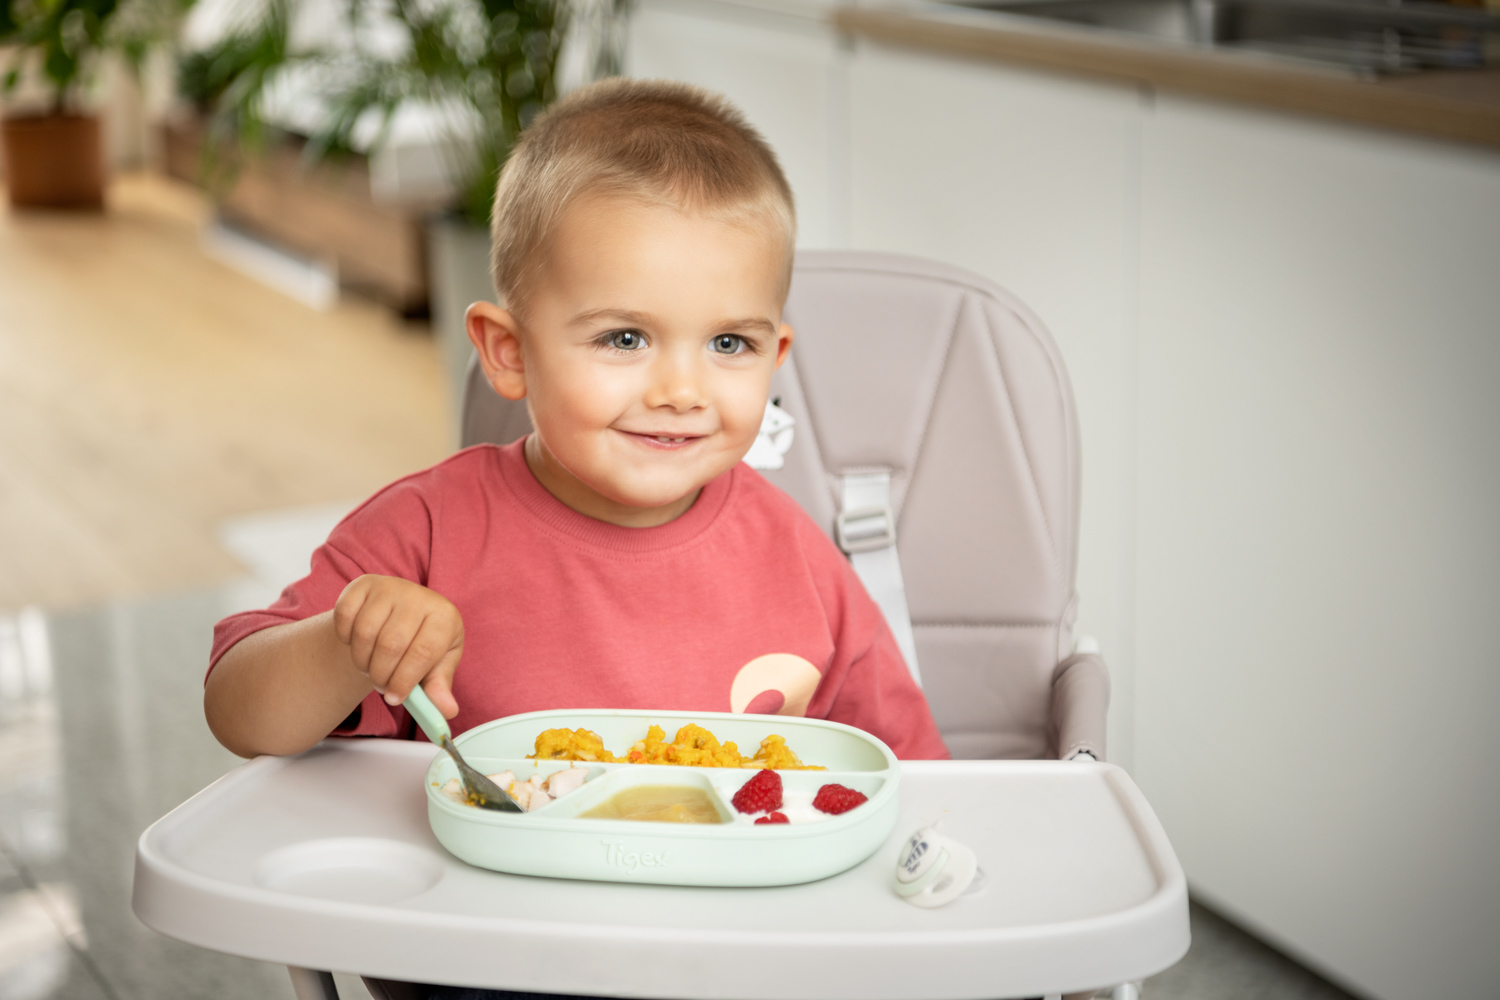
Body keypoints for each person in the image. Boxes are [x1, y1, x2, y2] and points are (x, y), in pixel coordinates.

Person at [203, 77, 949, 768]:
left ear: (775, 354)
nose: (682, 391)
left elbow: (919, 779)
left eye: (730, 344)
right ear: (509, 351)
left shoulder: (799, 559)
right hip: (502, 909)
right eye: (625, 339)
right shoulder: (426, 535)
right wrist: (348, 646)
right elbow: (239, 713)